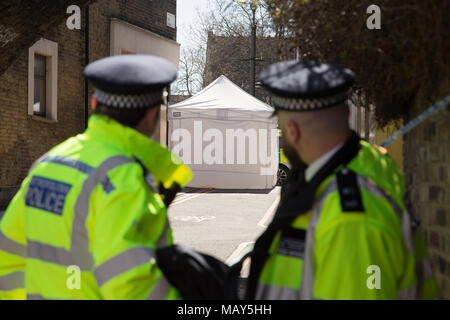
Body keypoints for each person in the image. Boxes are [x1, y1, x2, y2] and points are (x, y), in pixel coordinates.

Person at [0, 54, 192, 300]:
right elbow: (130, 286)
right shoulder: (123, 179)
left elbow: (7, 257)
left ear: (94, 104)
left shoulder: (48, 163)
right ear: (151, 114)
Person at [245, 60, 441, 300]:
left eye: (282, 127)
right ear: (347, 113)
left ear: (293, 131)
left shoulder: (348, 220)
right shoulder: (368, 162)